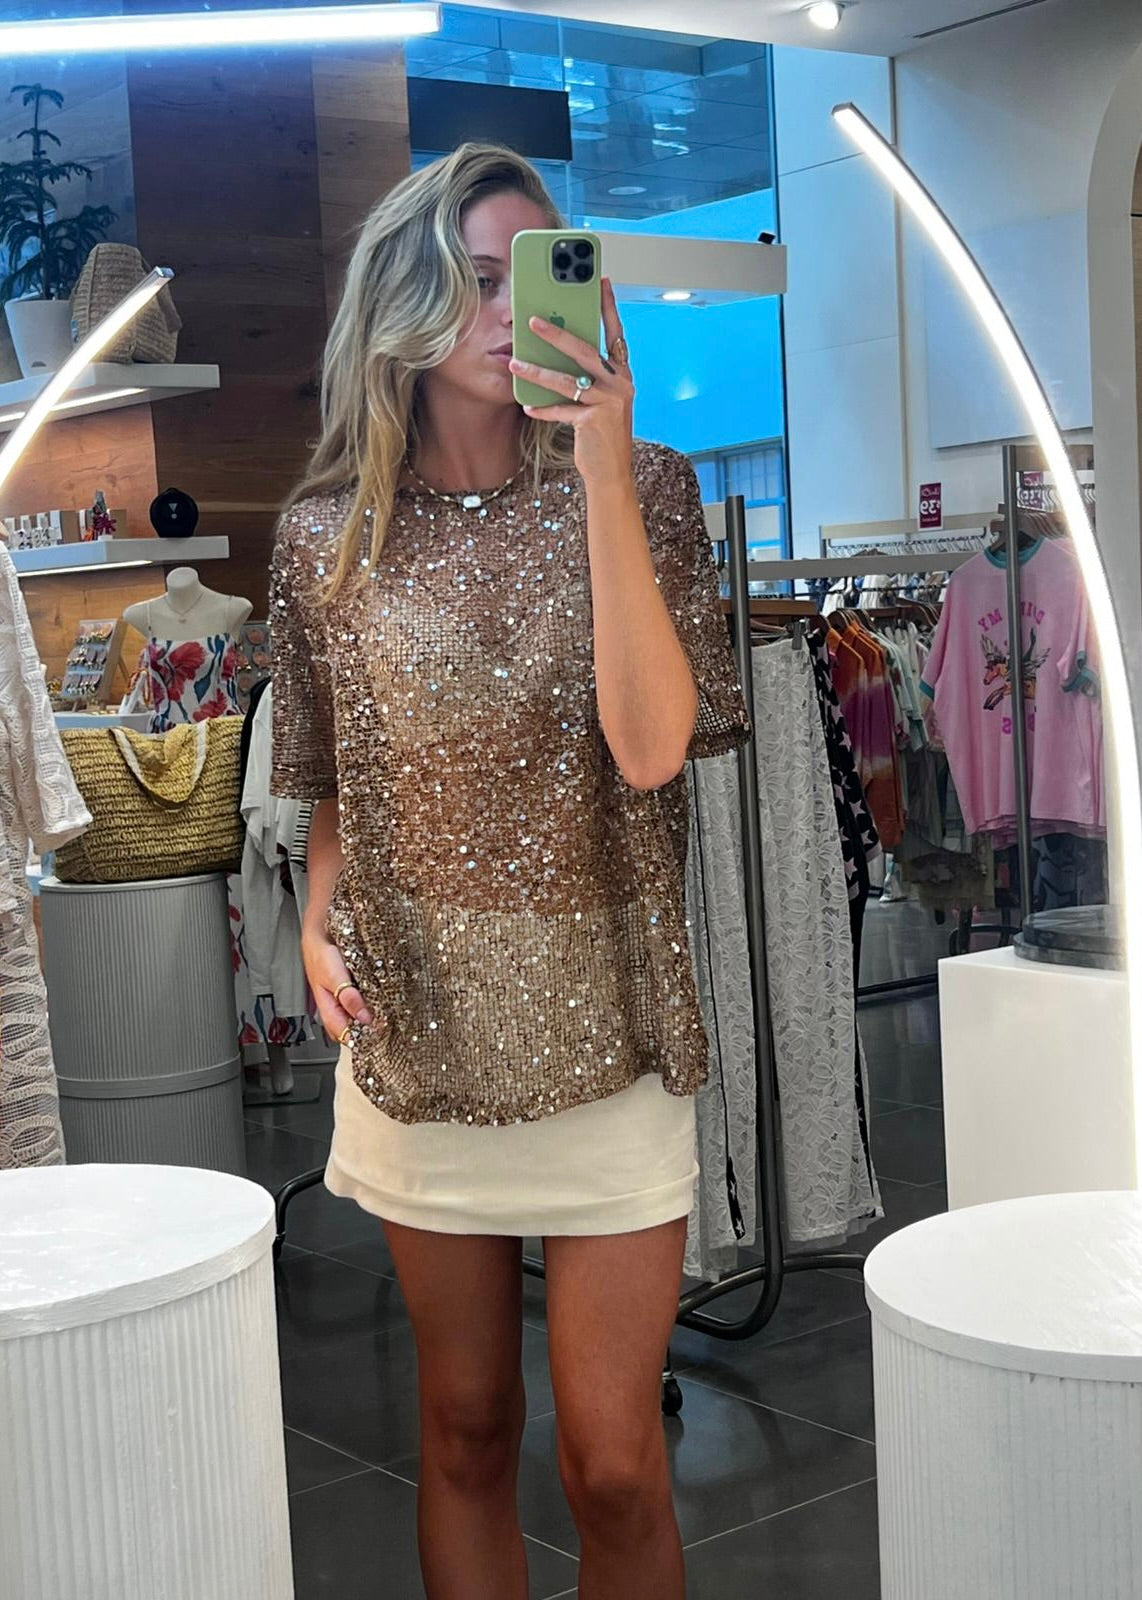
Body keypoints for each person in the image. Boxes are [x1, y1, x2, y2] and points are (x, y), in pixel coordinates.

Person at [270, 142, 752, 1600]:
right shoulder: (323, 536)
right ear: (403, 299)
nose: (509, 314)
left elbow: (652, 750)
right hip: (419, 1025)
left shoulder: (647, 487)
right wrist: (315, 915)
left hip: (613, 1028)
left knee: (616, 1463)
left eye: (534, 278)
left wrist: (601, 470)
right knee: (468, 1426)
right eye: (478, 281)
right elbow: (333, 775)